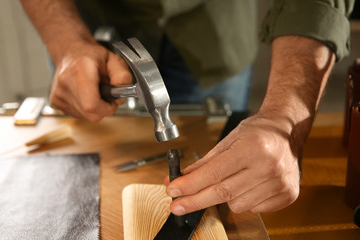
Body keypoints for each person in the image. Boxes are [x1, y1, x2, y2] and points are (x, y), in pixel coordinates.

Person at [20, 0, 354, 215]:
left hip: (211, 25)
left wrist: (284, 120)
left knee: (228, 176)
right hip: (89, 22)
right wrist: (65, 41)